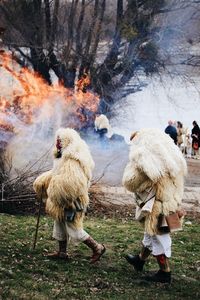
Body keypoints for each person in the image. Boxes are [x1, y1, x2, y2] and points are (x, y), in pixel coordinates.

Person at [122, 128, 187, 283]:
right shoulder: (172, 157)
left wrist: (131, 167)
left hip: (157, 207)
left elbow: (130, 182)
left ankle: (165, 272)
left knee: (159, 238)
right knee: (150, 235)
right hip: (170, 204)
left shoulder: (146, 159)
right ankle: (140, 260)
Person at [33, 128, 105, 263]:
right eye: (57, 140)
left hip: (72, 200)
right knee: (59, 223)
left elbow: (71, 182)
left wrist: (58, 190)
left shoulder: (74, 159)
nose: (58, 143)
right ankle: (62, 252)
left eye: (61, 140)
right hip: (61, 200)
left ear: (67, 141)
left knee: (74, 229)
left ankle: (97, 248)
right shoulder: (62, 156)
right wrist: (44, 180)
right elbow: (57, 173)